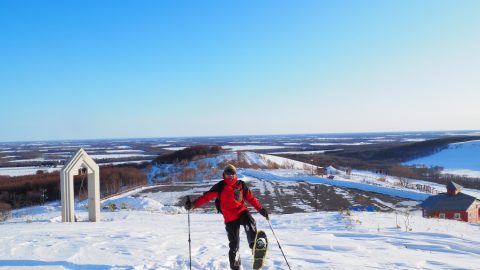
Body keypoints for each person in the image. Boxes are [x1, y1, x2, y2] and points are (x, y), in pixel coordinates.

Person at [185, 164, 269, 270]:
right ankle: (235, 267)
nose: (230, 175)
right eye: (228, 173)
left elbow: (251, 198)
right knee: (234, 246)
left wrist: (261, 209)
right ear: (224, 174)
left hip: (242, 212)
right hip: (230, 218)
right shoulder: (220, 186)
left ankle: (254, 245)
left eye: (232, 173)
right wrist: (192, 205)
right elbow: (206, 197)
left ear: (235, 174)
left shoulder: (241, 185)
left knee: (249, 221)